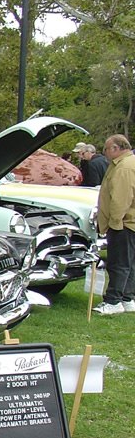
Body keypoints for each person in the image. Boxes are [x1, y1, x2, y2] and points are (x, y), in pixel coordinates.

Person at [93, 134, 135, 315]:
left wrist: (115, 223)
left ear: (116, 148)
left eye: (106, 149)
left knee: (118, 263)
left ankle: (113, 301)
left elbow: (121, 199)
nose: (105, 153)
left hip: (123, 224)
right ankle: (128, 298)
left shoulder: (124, 167)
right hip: (130, 222)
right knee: (129, 263)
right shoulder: (127, 163)